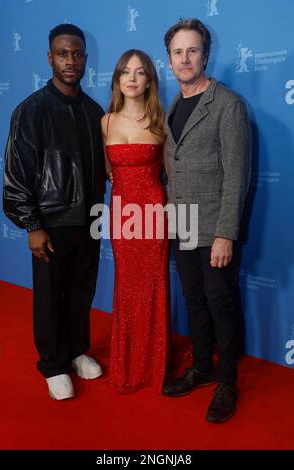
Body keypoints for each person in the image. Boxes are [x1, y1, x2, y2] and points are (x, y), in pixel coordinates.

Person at [3, 24, 106, 400]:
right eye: (63, 53)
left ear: (85, 59)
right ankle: (53, 364)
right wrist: (31, 224)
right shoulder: (30, 110)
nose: (70, 60)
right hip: (49, 224)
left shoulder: (95, 111)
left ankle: (78, 350)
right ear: (50, 57)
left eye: (77, 54)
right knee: (49, 296)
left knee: (81, 293)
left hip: (89, 221)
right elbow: (16, 174)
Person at [162, 19, 251, 423]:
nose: (185, 58)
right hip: (181, 227)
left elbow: (237, 176)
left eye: (192, 50)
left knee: (221, 304)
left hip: (214, 231)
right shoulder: (172, 107)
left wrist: (225, 235)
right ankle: (202, 367)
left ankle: (227, 382)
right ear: (169, 59)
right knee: (194, 301)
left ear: (205, 55)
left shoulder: (228, 104)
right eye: (178, 52)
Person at [101, 50, 169, 393]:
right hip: (122, 217)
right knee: (126, 287)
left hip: (153, 215)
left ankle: (154, 365)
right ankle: (127, 362)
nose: (131, 78)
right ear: (117, 79)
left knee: (153, 287)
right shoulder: (106, 122)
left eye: (140, 72)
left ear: (149, 81)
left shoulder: (162, 121)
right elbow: (108, 171)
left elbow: (172, 174)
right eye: (125, 71)